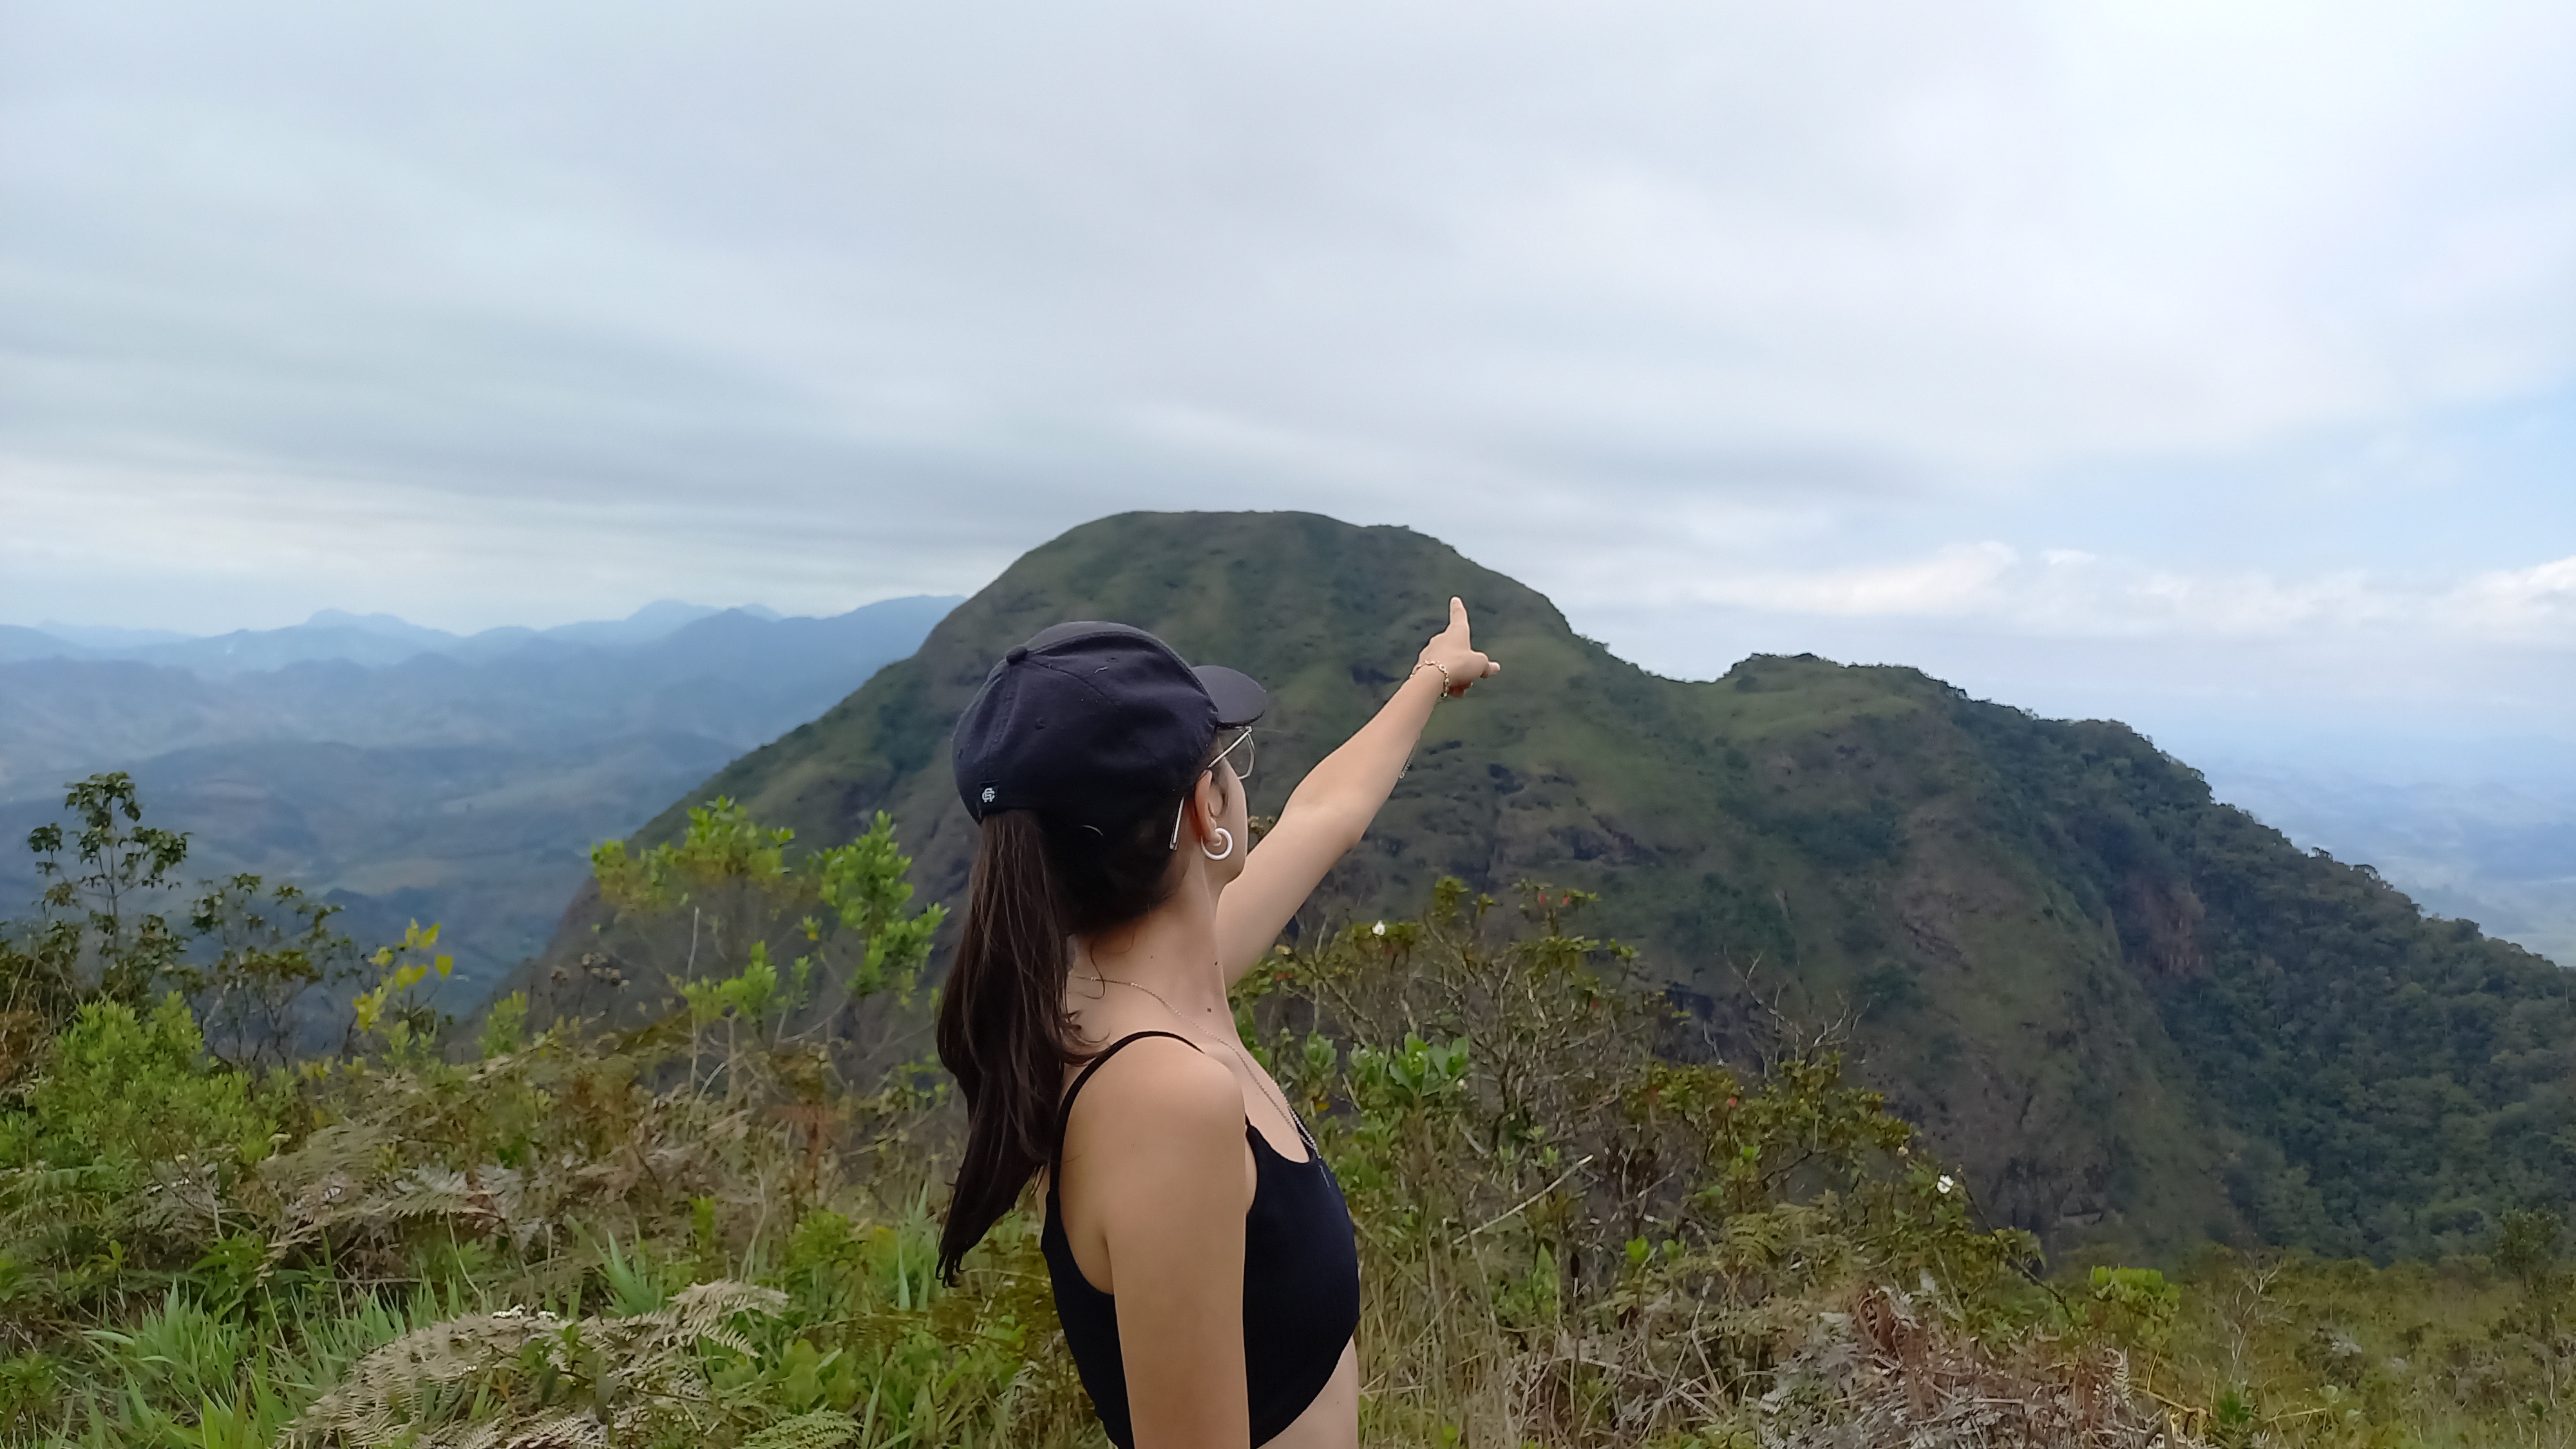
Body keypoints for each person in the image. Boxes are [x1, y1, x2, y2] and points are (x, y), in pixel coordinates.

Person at [934, 600, 1501, 1449]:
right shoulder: (1164, 1096)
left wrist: (1431, 675)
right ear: (1207, 806)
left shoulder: (1124, 994)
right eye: (1232, 760)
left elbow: (1323, 818)